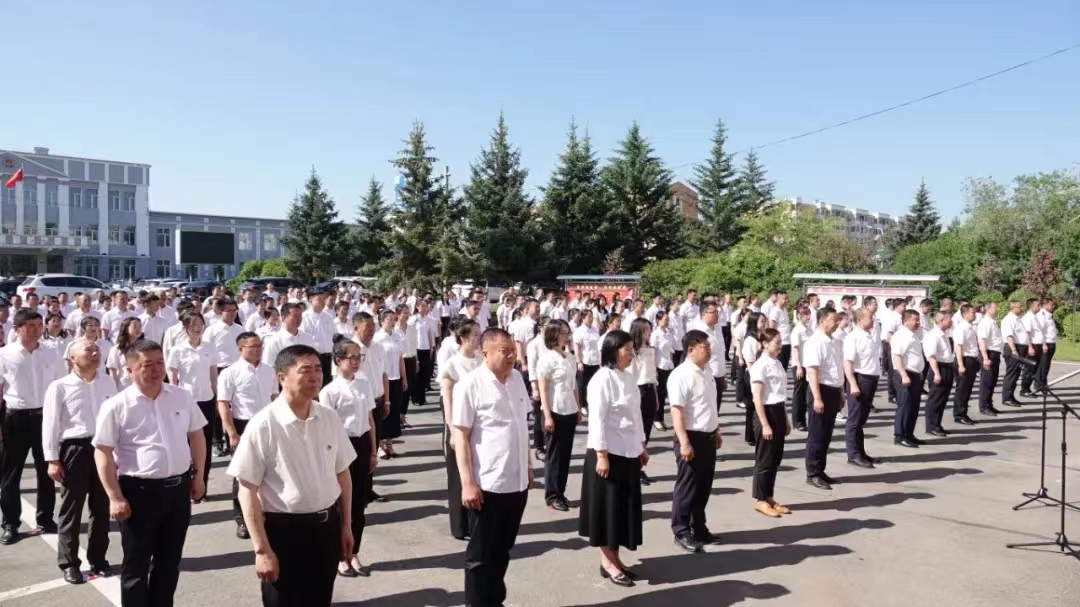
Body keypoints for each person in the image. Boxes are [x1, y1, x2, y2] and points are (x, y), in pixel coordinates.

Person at [228, 344, 356, 607]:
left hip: (326, 529)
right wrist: (262, 550)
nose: (315, 376)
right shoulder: (263, 425)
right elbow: (247, 489)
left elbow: (342, 473)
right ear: (282, 377)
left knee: (320, 599)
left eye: (318, 369)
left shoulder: (329, 418)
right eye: (305, 370)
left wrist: (346, 526)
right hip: (284, 533)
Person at [93, 340, 207, 607]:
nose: (156, 369)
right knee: (136, 564)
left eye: (160, 363)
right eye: (147, 365)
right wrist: (115, 497)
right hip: (139, 493)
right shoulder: (117, 405)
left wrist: (199, 476)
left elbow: (197, 435)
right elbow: (103, 452)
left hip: (178, 490)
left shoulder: (181, 396)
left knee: (169, 562)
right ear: (130, 370)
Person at [452, 328, 533, 605]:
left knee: (502, 550)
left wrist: (528, 464)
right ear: (485, 353)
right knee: (480, 556)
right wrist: (467, 483)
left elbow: (521, 427)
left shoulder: (517, 380)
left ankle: (494, 601)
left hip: (517, 482)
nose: (511, 356)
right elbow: (460, 436)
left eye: (513, 351)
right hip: (487, 485)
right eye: (505, 351)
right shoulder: (470, 385)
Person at [43, 338, 118, 583]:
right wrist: (52, 459)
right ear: (73, 358)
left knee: (101, 507)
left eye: (97, 349)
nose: (96, 353)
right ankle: (69, 563)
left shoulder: (108, 381)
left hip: (103, 448)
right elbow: (50, 424)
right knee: (71, 509)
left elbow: (117, 418)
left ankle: (98, 559)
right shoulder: (60, 386)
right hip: (75, 450)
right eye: (89, 350)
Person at [579, 330, 647, 587]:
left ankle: (615, 558)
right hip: (608, 453)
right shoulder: (601, 380)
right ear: (612, 351)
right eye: (626, 350)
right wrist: (602, 455)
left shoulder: (628, 378)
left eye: (632, 350)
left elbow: (635, 416)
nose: (630, 354)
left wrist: (641, 446)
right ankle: (607, 562)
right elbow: (597, 420)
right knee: (607, 511)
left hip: (628, 451)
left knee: (621, 510)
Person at [0, 310, 67, 544]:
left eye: (39, 325)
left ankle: (46, 519)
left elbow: (61, 386)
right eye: (30, 325)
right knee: (10, 475)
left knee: (47, 471)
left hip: (45, 417)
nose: (36, 329)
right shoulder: (5, 355)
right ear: (17, 329)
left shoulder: (51, 353)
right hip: (14, 418)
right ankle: (10, 523)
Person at [318, 338, 378, 579]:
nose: (356, 362)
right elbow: (326, 428)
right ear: (338, 360)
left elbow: (370, 420)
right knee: (341, 504)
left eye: (358, 357)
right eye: (351, 357)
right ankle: (340, 557)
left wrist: (373, 451)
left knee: (359, 503)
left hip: (362, 444)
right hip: (341, 446)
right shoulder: (329, 392)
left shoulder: (364, 384)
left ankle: (354, 552)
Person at [217, 331, 278, 539]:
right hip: (243, 425)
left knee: (270, 472)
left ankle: (267, 515)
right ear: (240, 348)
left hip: (268, 424)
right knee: (243, 475)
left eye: (260, 345)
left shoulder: (269, 370)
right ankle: (242, 519)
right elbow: (223, 404)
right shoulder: (230, 373)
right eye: (253, 346)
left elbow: (275, 397)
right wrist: (232, 433)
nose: (258, 349)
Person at [667, 329, 722, 552]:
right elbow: (677, 411)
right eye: (704, 347)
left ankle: (698, 527)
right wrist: (684, 442)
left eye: (709, 347)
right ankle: (681, 531)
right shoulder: (681, 375)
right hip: (690, 437)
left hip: (708, 436)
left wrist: (716, 430)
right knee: (687, 487)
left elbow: (708, 405)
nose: (708, 351)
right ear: (690, 350)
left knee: (703, 486)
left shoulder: (706, 371)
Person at [438, 319, 482, 541]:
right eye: (475, 335)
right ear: (463, 338)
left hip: (477, 422)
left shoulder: (481, 360)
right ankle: (459, 525)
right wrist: (452, 429)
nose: (478, 338)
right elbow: (448, 399)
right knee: (458, 475)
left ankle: (475, 521)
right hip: (457, 423)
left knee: (475, 471)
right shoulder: (453, 364)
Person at [167, 312, 219, 495]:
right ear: (187, 328)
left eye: (201, 324)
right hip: (186, 401)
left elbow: (213, 373)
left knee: (205, 443)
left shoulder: (209, 346)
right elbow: (173, 378)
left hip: (206, 399)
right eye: (194, 324)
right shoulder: (178, 350)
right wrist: (173, 401)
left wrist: (216, 395)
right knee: (186, 444)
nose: (198, 328)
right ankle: (187, 486)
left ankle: (202, 486)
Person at [536, 319, 580, 511]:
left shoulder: (569, 357)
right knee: (554, 456)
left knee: (566, 455)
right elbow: (544, 389)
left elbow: (574, 385)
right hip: (554, 411)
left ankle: (561, 492)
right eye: (563, 332)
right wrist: (547, 416)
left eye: (568, 332)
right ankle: (552, 495)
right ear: (554, 335)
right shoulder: (547, 359)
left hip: (569, 409)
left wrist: (578, 407)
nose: (567, 336)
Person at [749, 328, 792, 518]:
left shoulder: (778, 363)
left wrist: (786, 418)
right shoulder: (760, 366)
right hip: (765, 412)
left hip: (778, 411)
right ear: (765, 344)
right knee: (765, 459)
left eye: (781, 342)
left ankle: (769, 496)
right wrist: (765, 424)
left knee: (775, 458)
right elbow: (757, 398)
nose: (780, 346)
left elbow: (780, 394)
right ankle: (760, 500)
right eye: (776, 342)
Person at [803, 309, 844, 491]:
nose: (837, 323)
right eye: (834, 319)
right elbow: (813, 372)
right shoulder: (815, 342)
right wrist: (818, 398)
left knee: (826, 434)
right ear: (822, 321)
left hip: (833, 390)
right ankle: (812, 473)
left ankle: (820, 470)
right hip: (820, 390)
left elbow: (837, 369)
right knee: (817, 434)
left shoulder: (834, 341)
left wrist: (841, 393)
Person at [842, 308, 880, 468]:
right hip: (860, 379)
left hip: (870, 379)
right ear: (859, 320)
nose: (873, 320)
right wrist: (853, 383)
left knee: (861, 419)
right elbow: (848, 363)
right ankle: (853, 454)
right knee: (855, 419)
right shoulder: (853, 337)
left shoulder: (868, 335)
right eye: (870, 317)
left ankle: (860, 452)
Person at [373, 309, 406, 459]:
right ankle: (380, 446)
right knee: (382, 412)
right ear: (381, 321)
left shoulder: (397, 336)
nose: (393, 322)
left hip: (396, 378)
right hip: (382, 379)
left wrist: (404, 378)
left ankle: (390, 444)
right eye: (389, 319)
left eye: (394, 319)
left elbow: (400, 359)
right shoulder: (377, 339)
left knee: (394, 412)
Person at [891, 310, 925, 448]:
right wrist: (904, 375)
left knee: (913, 406)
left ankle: (909, 433)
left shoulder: (913, 335)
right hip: (905, 374)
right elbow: (897, 356)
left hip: (914, 374)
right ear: (906, 321)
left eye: (918, 320)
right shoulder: (901, 335)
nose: (918, 323)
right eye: (915, 320)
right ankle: (900, 436)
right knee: (905, 406)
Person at [687, 301, 727, 408]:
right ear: (703, 314)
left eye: (717, 312)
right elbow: (694, 357)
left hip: (718, 374)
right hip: (705, 376)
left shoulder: (717, 328)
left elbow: (720, 352)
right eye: (714, 312)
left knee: (715, 408)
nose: (717, 315)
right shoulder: (698, 331)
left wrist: (723, 375)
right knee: (705, 409)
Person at [923, 312, 955, 437]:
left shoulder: (944, 334)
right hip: (939, 368)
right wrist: (936, 373)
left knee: (942, 399)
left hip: (947, 367)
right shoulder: (933, 335)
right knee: (935, 399)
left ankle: (937, 424)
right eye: (949, 320)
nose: (951, 322)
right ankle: (931, 426)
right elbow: (931, 356)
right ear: (941, 321)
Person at [301, 292, 336, 386]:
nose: (322, 301)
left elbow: (333, 336)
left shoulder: (328, 317)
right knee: (314, 385)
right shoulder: (304, 318)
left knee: (327, 385)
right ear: (310, 301)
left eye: (323, 299)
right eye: (319, 299)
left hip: (328, 357)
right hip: (313, 358)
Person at [999, 300, 1028, 408]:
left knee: (1016, 374)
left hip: (1020, 348)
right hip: (1013, 348)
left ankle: (1011, 396)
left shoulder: (1018, 319)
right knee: (1011, 374)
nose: (1022, 308)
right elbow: (1009, 336)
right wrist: (1014, 351)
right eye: (1020, 307)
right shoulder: (1008, 319)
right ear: (1013, 308)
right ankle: (1006, 398)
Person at [572, 309, 601, 418]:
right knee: (582, 385)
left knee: (594, 384)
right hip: (585, 361)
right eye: (589, 316)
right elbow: (577, 348)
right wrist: (579, 361)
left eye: (592, 316)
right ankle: (582, 405)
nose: (591, 319)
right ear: (583, 318)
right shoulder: (579, 331)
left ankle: (591, 403)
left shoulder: (595, 330)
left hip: (595, 361)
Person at [740, 312, 763, 446]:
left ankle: (756, 432)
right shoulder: (751, 340)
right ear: (754, 323)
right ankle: (750, 435)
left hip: (760, 374)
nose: (764, 324)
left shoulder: (760, 337)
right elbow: (750, 363)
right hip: (752, 375)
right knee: (752, 407)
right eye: (761, 321)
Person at [977, 302, 1003, 417]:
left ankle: (989, 404)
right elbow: (982, 340)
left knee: (992, 381)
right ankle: (984, 406)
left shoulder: (992, 322)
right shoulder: (986, 323)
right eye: (995, 308)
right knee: (986, 382)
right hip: (989, 353)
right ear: (988, 310)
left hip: (995, 353)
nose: (997, 309)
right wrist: (985, 358)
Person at [651, 310, 676, 432]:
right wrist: (653, 368)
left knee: (664, 394)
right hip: (659, 366)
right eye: (665, 320)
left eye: (668, 320)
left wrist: (672, 364)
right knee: (659, 394)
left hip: (668, 366)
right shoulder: (655, 334)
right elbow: (653, 352)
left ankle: (661, 418)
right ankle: (656, 419)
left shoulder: (668, 333)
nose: (667, 322)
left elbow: (670, 350)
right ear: (658, 320)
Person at [790, 306, 812, 432]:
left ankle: (803, 420)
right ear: (799, 315)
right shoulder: (797, 331)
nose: (808, 316)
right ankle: (797, 422)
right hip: (799, 365)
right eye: (805, 314)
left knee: (805, 394)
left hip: (807, 365)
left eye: (809, 314)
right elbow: (795, 349)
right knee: (799, 395)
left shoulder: (809, 330)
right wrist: (798, 366)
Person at [107, 317, 144, 390]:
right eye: (135, 326)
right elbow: (112, 371)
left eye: (140, 327)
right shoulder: (117, 349)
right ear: (126, 329)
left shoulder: (145, 347)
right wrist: (113, 389)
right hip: (124, 386)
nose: (138, 329)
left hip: (142, 385)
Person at [1020, 298, 1045, 397]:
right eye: (1037, 305)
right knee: (1029, 369)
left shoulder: (1035, 317)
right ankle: (1024, 390)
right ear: (1031, 307)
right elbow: (1027, 333)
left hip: (1038, 345)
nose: (1040, 306)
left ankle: (1028, 388)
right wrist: (1030, 347)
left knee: (1034, 369)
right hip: (1032, 345)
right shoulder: (1028, 318)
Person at [765, 290, 792, 369]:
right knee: (779, 367)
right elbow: (772, 328)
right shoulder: (775, 311)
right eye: (784, 298)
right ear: (778, 298)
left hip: (787, 342)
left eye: (787, 298)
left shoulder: (785, 310)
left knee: (784, 367)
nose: (786, 300)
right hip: (780, 343)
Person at [1037, 298, 1057, 390]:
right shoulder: (1042, 315)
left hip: (1051, 342)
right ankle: (1039, 384)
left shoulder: (1048, 315)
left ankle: (1043, 383)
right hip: (1046, 343)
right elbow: (1040, 331)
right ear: (1045, 305)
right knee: (1043, 365)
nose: (1053, 306)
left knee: (1046, 365)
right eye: (1051, 304)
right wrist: (1043, 344)